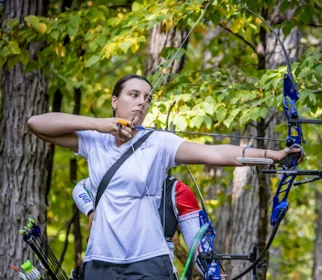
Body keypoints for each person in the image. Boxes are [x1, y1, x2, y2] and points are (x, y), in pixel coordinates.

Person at [28, 74, 304, 279]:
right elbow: (37, 124)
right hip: (100, 262)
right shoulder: (94, 140)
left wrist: (274, 155)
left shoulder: (159, 142)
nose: (141, 103)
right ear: (115, 101)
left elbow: (215, 153)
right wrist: (99, 125)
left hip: (149, 261)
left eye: (146, 98)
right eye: (133, 95)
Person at [72, 176, 205, 276]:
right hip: (104, 267)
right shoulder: (112, 177)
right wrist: (91, 211)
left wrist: (214, 273)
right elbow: (81, 187)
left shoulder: (177, 191)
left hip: (152, 271)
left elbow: (199, 248)